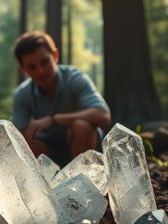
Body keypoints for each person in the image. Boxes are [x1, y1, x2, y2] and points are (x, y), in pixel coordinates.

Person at [11, 31, 111, 164]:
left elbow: (103, 115)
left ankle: (82, 178)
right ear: (23, 68)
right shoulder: (22, 94)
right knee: (24, 139)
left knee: (82, 126)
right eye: (31, 67)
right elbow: (15, 139)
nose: (40, 71)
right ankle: (47, 179)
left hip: (83, 145)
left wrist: (54, 119)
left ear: (55, 56)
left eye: (44, 62)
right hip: (48, 152)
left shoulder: (75, 78)